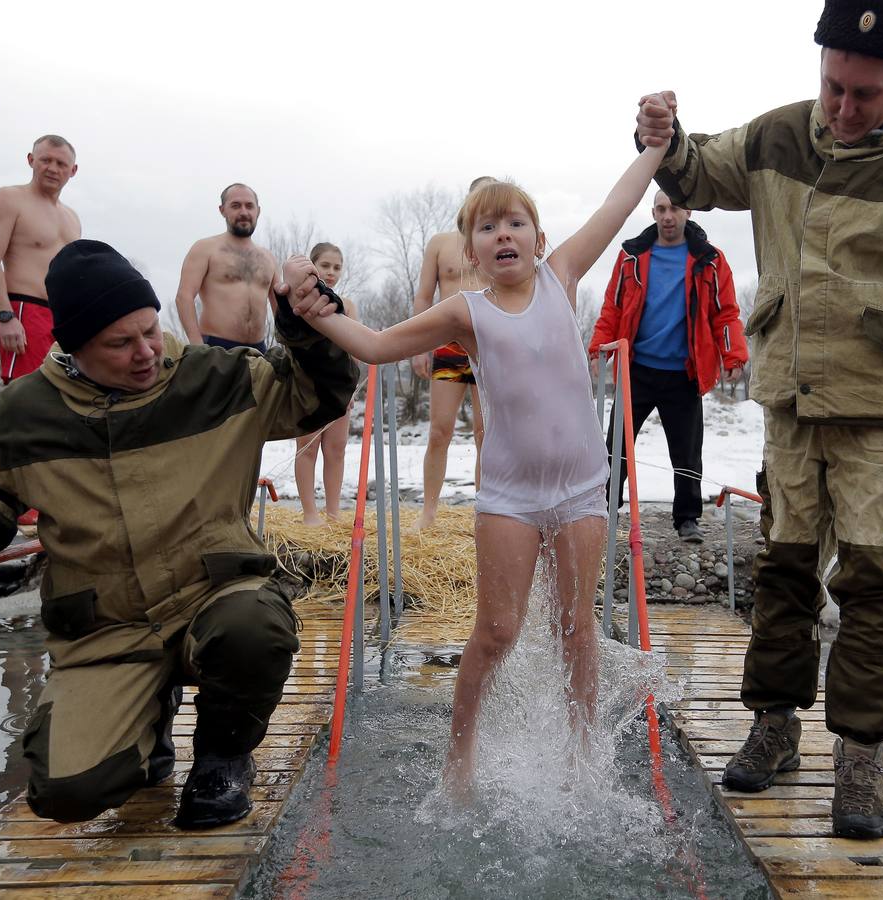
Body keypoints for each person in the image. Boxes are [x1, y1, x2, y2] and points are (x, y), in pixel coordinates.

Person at [636, 0, 883, 839]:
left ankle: (860, 759)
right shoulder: (780, 136)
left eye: (862, 94)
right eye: (830, 86)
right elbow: (697, 171)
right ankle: (773, 728)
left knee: (872, 589)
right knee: (782, 574)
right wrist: (665, 138)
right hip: (790, 405)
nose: (840, 109)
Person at [284, 140, 671, 798]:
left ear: (538, 237)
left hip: (580, 491)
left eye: (514, 222)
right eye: (486, 227)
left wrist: (656, 149)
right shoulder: (466, 312)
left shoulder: (562, 274)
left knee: (578, 627)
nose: (502, 234)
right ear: (470, 252)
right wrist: (320, 313)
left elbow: (617, 203)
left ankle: (581, 753)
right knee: (496, 630)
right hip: (511, 498)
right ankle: (458, 756)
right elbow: (377, 346)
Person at [0, 240, 358, 829]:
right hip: (106, 628)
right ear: (73, 346)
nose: (146, 353)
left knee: (253, 630)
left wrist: (303, 325)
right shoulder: (24, 411)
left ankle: (222, 758)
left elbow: (316, 394)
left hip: (211, 595)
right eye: (121, 343)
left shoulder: (214, 379)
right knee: (68, 794)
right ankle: (144, 723)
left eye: (150, 331)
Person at [589, 190, 748, 543]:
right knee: (617, 444)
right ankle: (603, 508)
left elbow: (726, 313)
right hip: (637, 370)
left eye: (674, 208)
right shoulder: (631, 255)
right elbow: (612, 306)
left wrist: (733, 355)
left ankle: (687, 518)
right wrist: (599, 347)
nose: (667, 216)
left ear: (687, 211)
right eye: (661, 209)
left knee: (686, 450)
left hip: (684, 372)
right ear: (654, 212)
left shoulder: (710, 259)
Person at [408, 177, 495, 530]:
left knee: (487, 433)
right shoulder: (441, 244)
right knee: (439, 430)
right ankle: (428, 512)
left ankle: (487, 512)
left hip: (491, 344)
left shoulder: (498, 242)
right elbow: (424, 296)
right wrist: (418, 344)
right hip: (448, 345)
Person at [0, 134, 81, 383]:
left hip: (63, 319)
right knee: (27, 396)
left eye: (61, 164)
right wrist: (6, 316)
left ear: (73, 170)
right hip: (24, 312)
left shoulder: (72, 218)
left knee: (63, 398)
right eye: (46, 160)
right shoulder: (10, 199)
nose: (53, 168)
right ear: (31, 160)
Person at [294, 242, 359, 526]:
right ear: (313, 266)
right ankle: (310, 513)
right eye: (325, 266)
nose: (331, 273)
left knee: (336, 449)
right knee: (307, 447)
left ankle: (333, 514)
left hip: (339, 387)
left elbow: (355, 349)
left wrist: (352, 388)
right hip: (308, 385)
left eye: (337, 267)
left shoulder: (348, 305)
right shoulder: (301, 302)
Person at [174, 183, 279, 353]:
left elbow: (279, 308)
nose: (244, 212)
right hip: (216, 349)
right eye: (236, 206)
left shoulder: (269, 258)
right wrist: (197, 344)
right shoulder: (205, 248)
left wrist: (292, 345)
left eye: (249, 206)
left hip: (260, 351)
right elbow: (184, 297)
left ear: (258, 211)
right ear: (222, 210)